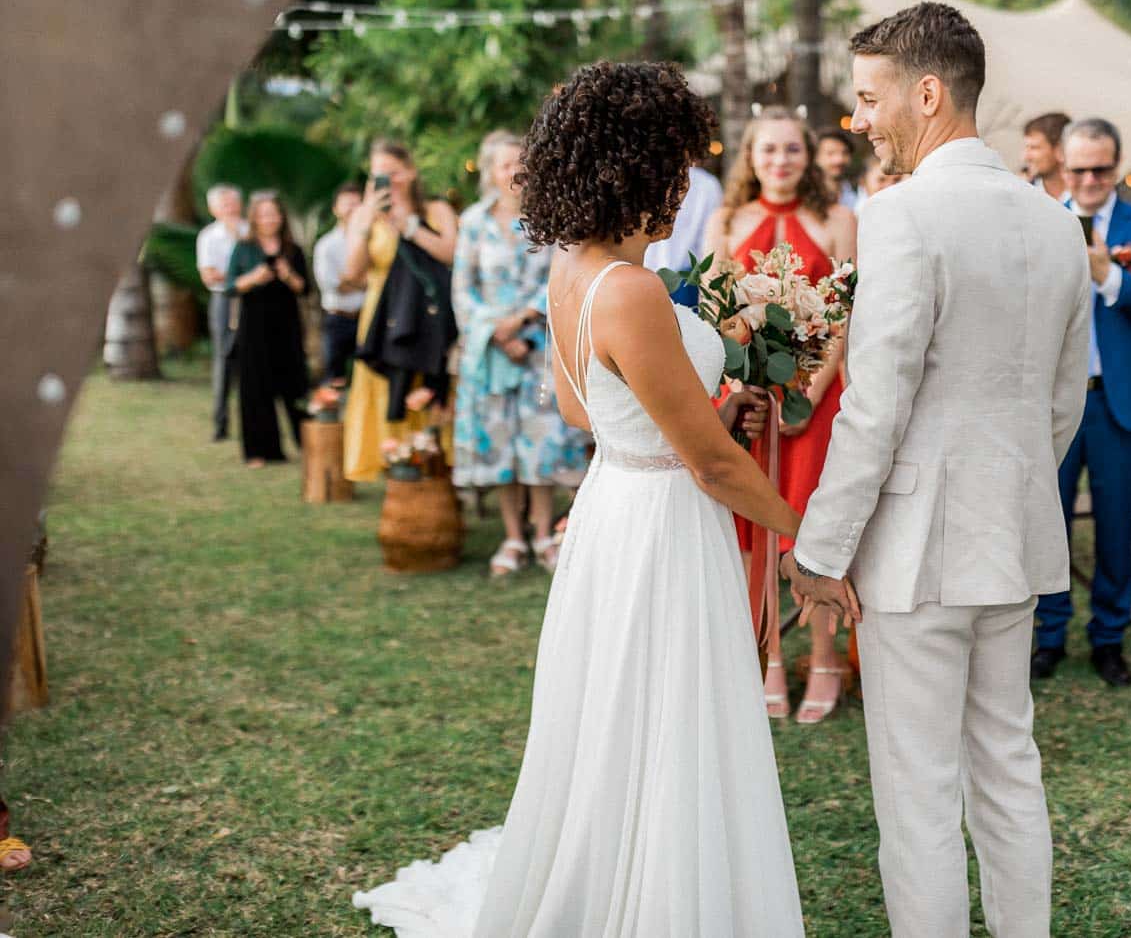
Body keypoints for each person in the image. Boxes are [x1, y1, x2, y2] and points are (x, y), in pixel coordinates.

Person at [353, 60, 802, 937]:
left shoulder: (572, 273)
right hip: (665, 523)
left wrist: (711, 411)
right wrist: (811, 535)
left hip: (615, 507)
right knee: (668, 720)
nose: (684, 186)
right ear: (630, 171)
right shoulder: (631, 289)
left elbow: (584, 407)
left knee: (619, 721)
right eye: (674, 166)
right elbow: (712, 467)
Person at [778, 1, 1090, 938]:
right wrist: (1020, 486)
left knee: (917, 794)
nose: (860, 120)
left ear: (927, 91)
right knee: (1008, 765)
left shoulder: (902, 214)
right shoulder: (1056, 224)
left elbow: (876, 406)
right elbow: (1062, 402)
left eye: (870, 99)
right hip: (1018, 533)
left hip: (914, 555)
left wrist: (820, 548)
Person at [702, 106, 858, 725]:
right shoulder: (726, 219)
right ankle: (766, 659)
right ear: (751, 157)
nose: (780, 161)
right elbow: (718, 313)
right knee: (753, 534)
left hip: (816, 405)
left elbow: (844, 315)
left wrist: (806, 398)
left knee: (810, 530)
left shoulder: (839, 220)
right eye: (768, 151)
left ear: (809, 155)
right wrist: (752, 392)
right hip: (750, 399)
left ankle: (824, 661)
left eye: (792, 150)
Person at [1031, 118, 1131, 687]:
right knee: (1048, 525)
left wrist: (1107, 274)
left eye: (1101, 168)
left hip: (1120, 402)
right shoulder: (1038, 220)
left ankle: (1109, 639)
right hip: (1050, 404)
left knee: (1116, 527)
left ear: (1117, 166)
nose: (1090, 179)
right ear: (1063, 167)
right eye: (1079, 168)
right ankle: (1048, 635)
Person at [452, 131, 565, 574]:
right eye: (504, 164)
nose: (514, 171)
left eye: (521, 162)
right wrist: (497, 331)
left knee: (540, 443)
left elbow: (558, 276)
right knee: (500, 444)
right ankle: (513, 538)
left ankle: (542, 536)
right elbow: (463, 288)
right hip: (490, 352)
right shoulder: (473, 222)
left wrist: (522, 321)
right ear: (490, 172)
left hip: (538, 348)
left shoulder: (550, 219)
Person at [342, 140, 459, 483]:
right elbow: (352, 273)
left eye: (393, 173)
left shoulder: (435, 210)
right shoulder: (365, 216)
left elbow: (453, 254)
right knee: (383, 387)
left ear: (409, 173)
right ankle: (394, 463)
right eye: (378, 175)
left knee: (429, 388)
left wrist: (409, 226)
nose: (386, 180)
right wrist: (366, 222)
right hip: (383, 315)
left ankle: (434, 465)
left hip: (430, 317)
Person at [226, 191, 310, 468]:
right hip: (254, 326)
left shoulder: (292, 249)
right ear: (254, 217)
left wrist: (288, 276)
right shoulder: (244, 247)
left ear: (281, 216)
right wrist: (252, 278)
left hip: (286, 324)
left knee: (294, 383)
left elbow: (305, 288)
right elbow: (229, 287)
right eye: (263, 214)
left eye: (273, 213)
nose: (269, 219)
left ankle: (307, 443)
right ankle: (259, 450)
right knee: (255, 386)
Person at [197, 184, 247, 441]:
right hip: (223, 302)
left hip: (253, 302)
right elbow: (209, 275)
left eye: (232, 202)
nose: (229, 208)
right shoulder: (208, 236)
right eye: (223, 204)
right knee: (224, 360)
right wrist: (243, 276)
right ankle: (220, 424)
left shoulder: (251, 231)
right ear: (213, 208)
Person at [312, 183, 367, 387]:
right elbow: (332, 285)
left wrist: (349, 279)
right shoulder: (326, 245)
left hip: (368, 316)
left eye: (357, 203)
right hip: (338, 319)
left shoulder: (372, 241)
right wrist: (362, 282)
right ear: (336, 209)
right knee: (335, 379)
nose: (353, 208)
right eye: (347, 204)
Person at [642, 161, 723, 276]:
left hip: (687, 277)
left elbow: (708, 239)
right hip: (642, 272)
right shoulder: (642, 176)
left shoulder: (707, 185)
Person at [1021, 111, 1071, 203]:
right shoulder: (1023, 197)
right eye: (1027, 147)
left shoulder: (1090, 197)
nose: (1025, 157)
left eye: (1034, 148)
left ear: (1060, 150)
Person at [815, 126, 861, 210]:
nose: (839, 159)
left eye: (845, 153)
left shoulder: (858, 191)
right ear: (816, 157)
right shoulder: (808, 196)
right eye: (831, 153)